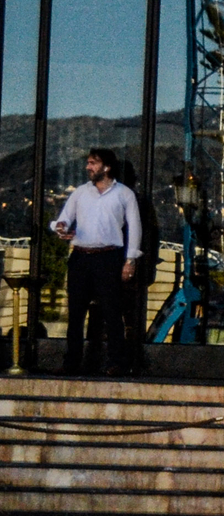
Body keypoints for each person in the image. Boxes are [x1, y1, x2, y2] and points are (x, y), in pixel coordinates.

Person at [48, 147, 140, 377]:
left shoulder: (125, 194)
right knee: (76, 314)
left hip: (108, 257)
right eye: (88, 163)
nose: (87, 167)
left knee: (112, 312)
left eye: (92, 163)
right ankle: (71, 363)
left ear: (106, 167)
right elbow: (63, 219)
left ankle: (116, 363)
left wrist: (130, 261)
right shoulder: (80, 192)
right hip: (80, 256)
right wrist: (60, 228)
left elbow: (135, 228)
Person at [111, 156, 158, 373]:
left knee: (111, 318)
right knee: (131, 320)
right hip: (137, 271)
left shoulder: (123, 202)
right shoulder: (142, 203)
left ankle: (119, 360)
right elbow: (152, 238)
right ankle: (132, 360)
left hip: (121, 270)